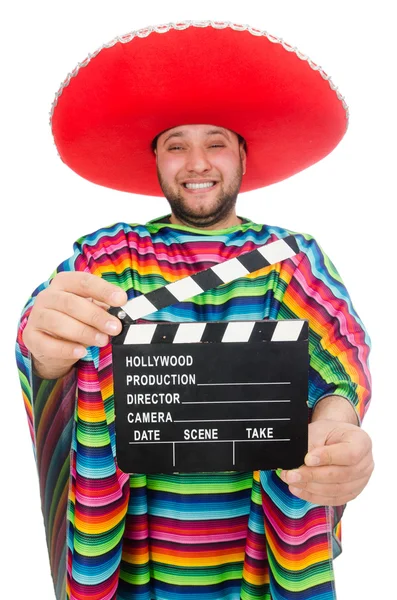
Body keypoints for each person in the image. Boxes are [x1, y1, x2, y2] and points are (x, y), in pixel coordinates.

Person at [16, 21, 373, 600]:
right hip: (135, 551)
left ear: (243, 156)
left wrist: (337, 428)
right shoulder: (107, 253)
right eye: (176, 144)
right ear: (154, 158)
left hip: (261, 547)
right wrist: (44, 344)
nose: (196, 162)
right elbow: (48, 331)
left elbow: (340, 363)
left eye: (216, 143)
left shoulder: (290, 256)